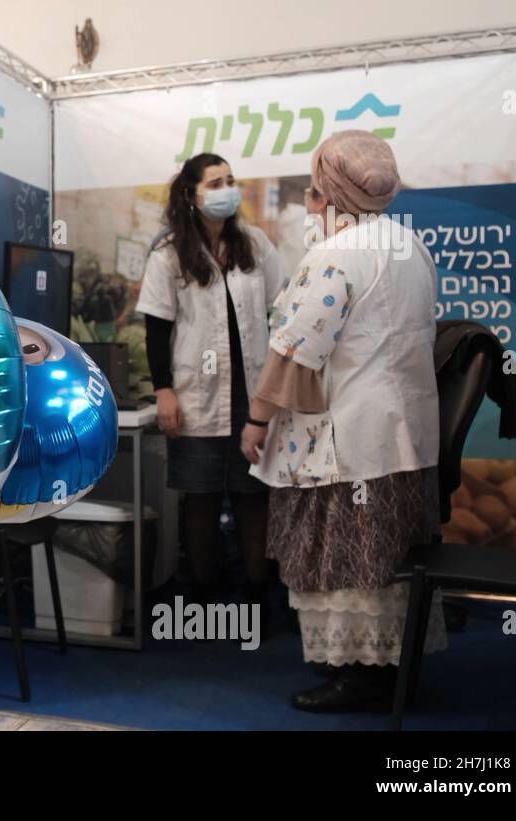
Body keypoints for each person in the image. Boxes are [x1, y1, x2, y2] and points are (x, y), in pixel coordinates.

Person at [240, 130, 445, 712]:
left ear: (330, 194)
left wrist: (257, 420)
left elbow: (294, 350)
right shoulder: (411, 245)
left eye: (311, 192)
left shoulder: (335, 254)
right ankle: (389, 670)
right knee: (389, 558)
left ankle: (355, 677)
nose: (308, 204)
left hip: (348, 439)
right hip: (405, 436)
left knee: (343, 561)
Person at [137, 153, 286, 616]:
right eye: (215, 183)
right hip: (194, 392)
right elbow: (157, 328)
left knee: (252, 496)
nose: (227, 190)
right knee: (199, 496)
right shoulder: (169, 253)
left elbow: (281, 309)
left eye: (230, 181)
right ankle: (204, 598)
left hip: (252, 392)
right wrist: (164, 390)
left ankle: (257, 599)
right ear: (190, 194)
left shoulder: (256, 245)